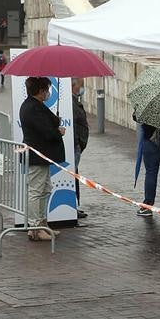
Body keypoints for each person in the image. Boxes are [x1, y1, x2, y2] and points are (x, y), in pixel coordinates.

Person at [20, 77, 66, 242]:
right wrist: (58, 131)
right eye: (47, 89)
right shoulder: (32, 108)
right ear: (40, 91)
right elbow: (46, 131)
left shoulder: (36, 106)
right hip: (36, 156)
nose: (48, 93)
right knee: (36, 191)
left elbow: (49, 122)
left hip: (42, 157)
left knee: (44, 189)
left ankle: (41, 223)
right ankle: (35, 227)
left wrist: (55, 122)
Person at [71, 80, 90, 220]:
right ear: (73, 86)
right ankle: (72, 208)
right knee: (72, 176)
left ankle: (74, 206)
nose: (81, 88)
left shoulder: (73, 100)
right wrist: (79, 141)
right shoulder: (71, 103)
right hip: (74, 145)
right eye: (79, 85)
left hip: (77, 144)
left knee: (74, 175)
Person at [135, 122, 160, 217]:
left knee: (151, 173)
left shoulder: (148, 108)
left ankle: (148, 205)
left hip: (150, 139)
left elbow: (136, 116)